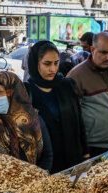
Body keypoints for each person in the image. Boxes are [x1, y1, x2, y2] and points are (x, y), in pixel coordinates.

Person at [26, 40, 87, 173]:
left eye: (56, 63)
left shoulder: (67, 85)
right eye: (47, 64)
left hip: (72, 158)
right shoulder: (26, 92)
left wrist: (85, 152)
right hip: (44, 163)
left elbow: (78, 119)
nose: (53, 69)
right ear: (35, 63)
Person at [67, 32, 108, 157]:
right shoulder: (76, 76)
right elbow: (71, 118)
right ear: (92, 49)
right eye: (104, 53)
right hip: (93, 149)